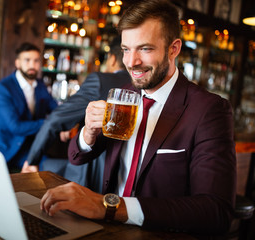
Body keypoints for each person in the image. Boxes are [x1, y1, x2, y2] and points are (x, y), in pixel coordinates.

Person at [40, 0, 236, 236]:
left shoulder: (209, 110)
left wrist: (111, 207)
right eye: (125, 49)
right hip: (107, 230)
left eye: (145, 49)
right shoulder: (124, 95)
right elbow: (77, 156)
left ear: (173, 49)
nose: (131, 62)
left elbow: (215, 211)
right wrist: (88, 134)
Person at [21, 36, 131, 192]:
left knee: (45, 167)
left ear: (112, 59)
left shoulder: (100, 80)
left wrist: (32, 160)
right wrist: (73, 123)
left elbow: (56, 118)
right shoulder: (146, 87)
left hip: (93, 175)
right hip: (125, 178)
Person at [0, 42, 57, 171]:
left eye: (36, 60)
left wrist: (65, 124)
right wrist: (51, 123)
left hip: (24, 149)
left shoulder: (41, 86)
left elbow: (55, 108)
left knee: (52, 169)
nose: (32, 65)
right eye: (27, 60)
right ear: (17, 63)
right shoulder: (3, 89)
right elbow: (16, 127)